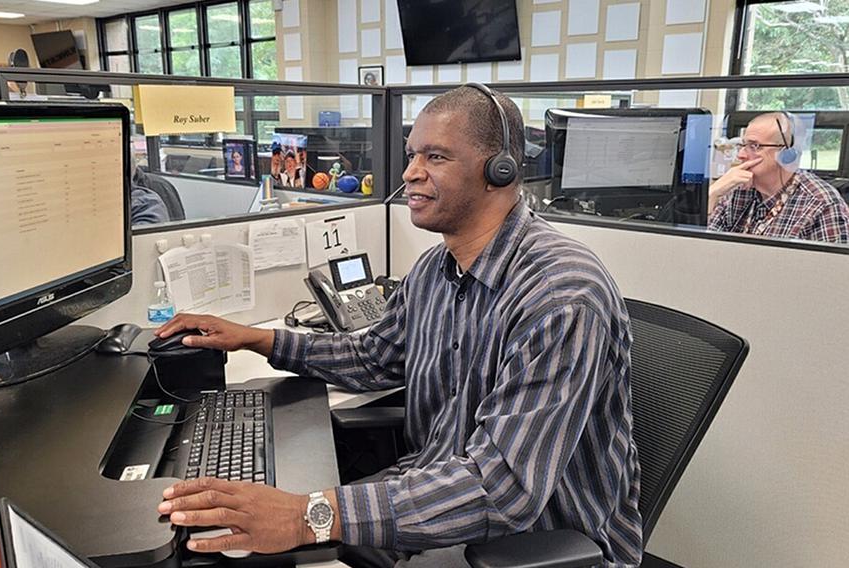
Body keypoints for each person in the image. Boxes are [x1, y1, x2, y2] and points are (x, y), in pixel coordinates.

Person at [153, 85, 642, 568]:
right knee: (233, 543)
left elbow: (503, 489)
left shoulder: (560, 296)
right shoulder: (436, 269)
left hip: (531, 540)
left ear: (500, 169)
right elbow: (373, 358)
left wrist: (309, 515)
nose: (410, 173)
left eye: (436, 157)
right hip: (436, 488)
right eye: (412, 154)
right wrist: (259, 339)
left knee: (294, 532)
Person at [708, 112, 849, 243]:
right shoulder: (738, 189)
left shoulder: (821, 204)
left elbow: (829, 268)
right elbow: (703, 248)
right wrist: (714, 192)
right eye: (742, 145)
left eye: (754, 146)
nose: (741, 155)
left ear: (786, 154)